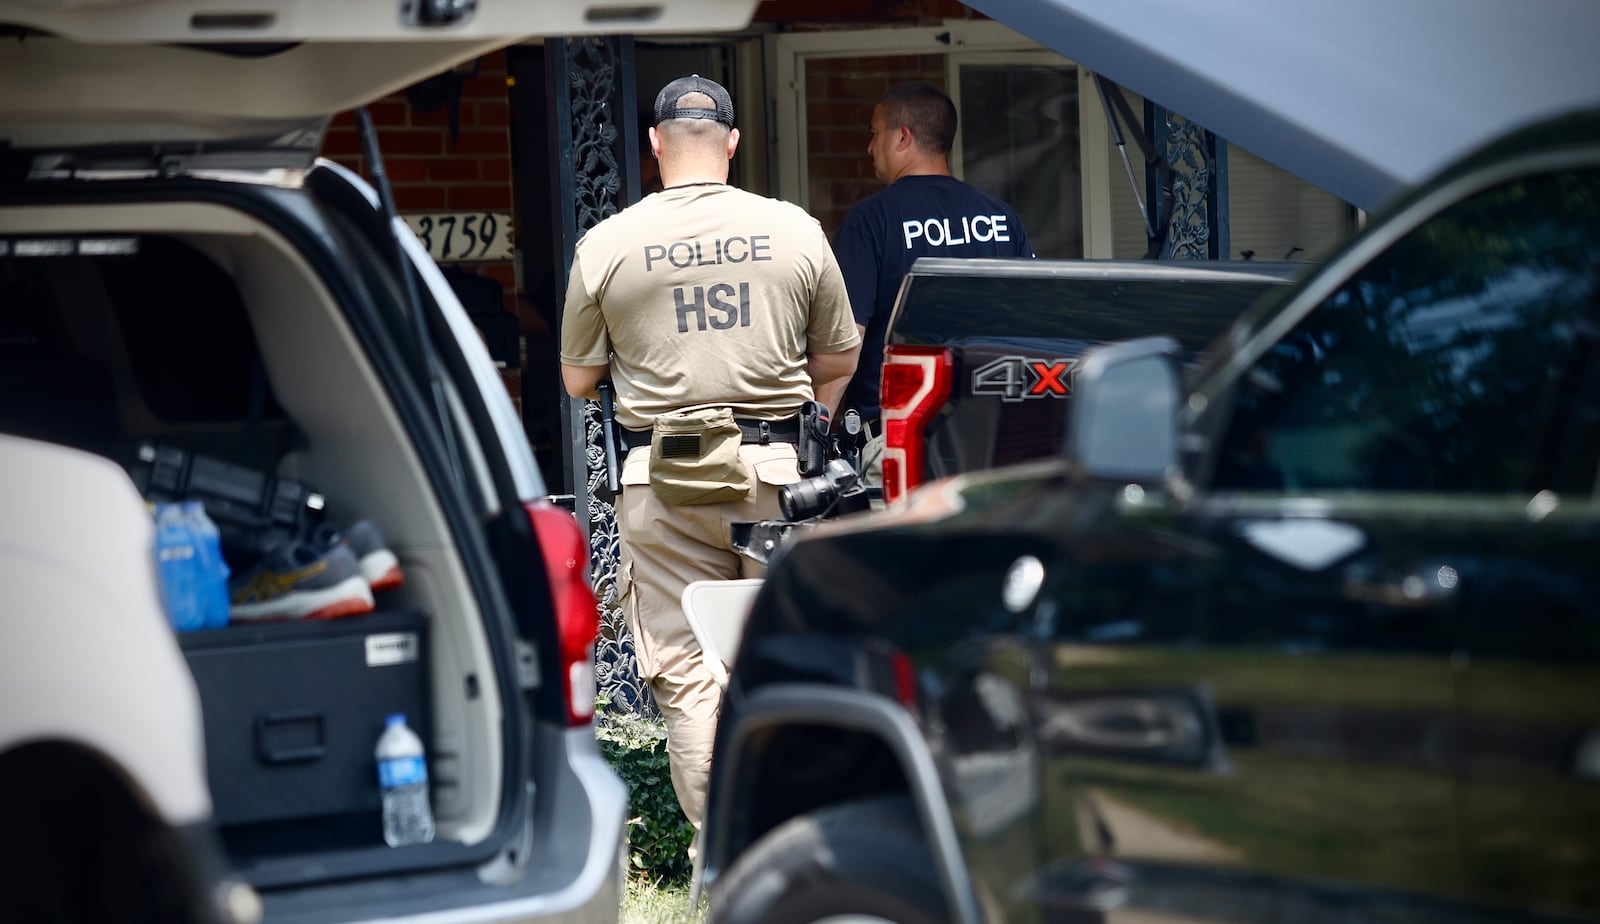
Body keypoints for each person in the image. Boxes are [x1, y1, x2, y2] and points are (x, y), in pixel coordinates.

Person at [559, 75, 861, 834]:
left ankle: (724, 850)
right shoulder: (795, 230)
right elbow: (838, 359)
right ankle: (801, 845)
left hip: (662, 483)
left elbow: (575, 378)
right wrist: (808, 431)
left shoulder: (606, 244)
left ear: (655, 145)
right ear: (730, 143)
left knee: (688, 675)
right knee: (787, 657)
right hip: (776, 478)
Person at [833, 81, 1034, 486]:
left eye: (875, 134)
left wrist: (817, 426)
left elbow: (845, 342)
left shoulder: (872, 221)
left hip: (900, 443)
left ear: (902, 137)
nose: (870, 147)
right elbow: (1032, 327)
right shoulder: (1000, 217)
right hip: (989, 442)